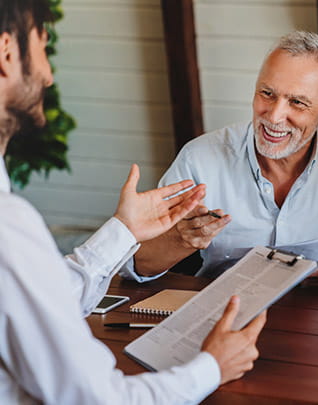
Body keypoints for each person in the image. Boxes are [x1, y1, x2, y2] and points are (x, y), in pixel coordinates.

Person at [0, 1, 265, 403]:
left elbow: (40, 304)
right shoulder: (8, 227)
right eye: (41, 46)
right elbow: (100, 399)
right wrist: (212, 366)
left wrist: (123, 231)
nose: (48, 75)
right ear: (6, 53)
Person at [123, 30, 318, 281]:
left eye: (297, 102)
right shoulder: (199, 159)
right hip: (222, 313)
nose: (274, 116)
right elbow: (135, 265)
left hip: (317, 315)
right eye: (267, 94)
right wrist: (180, 240)